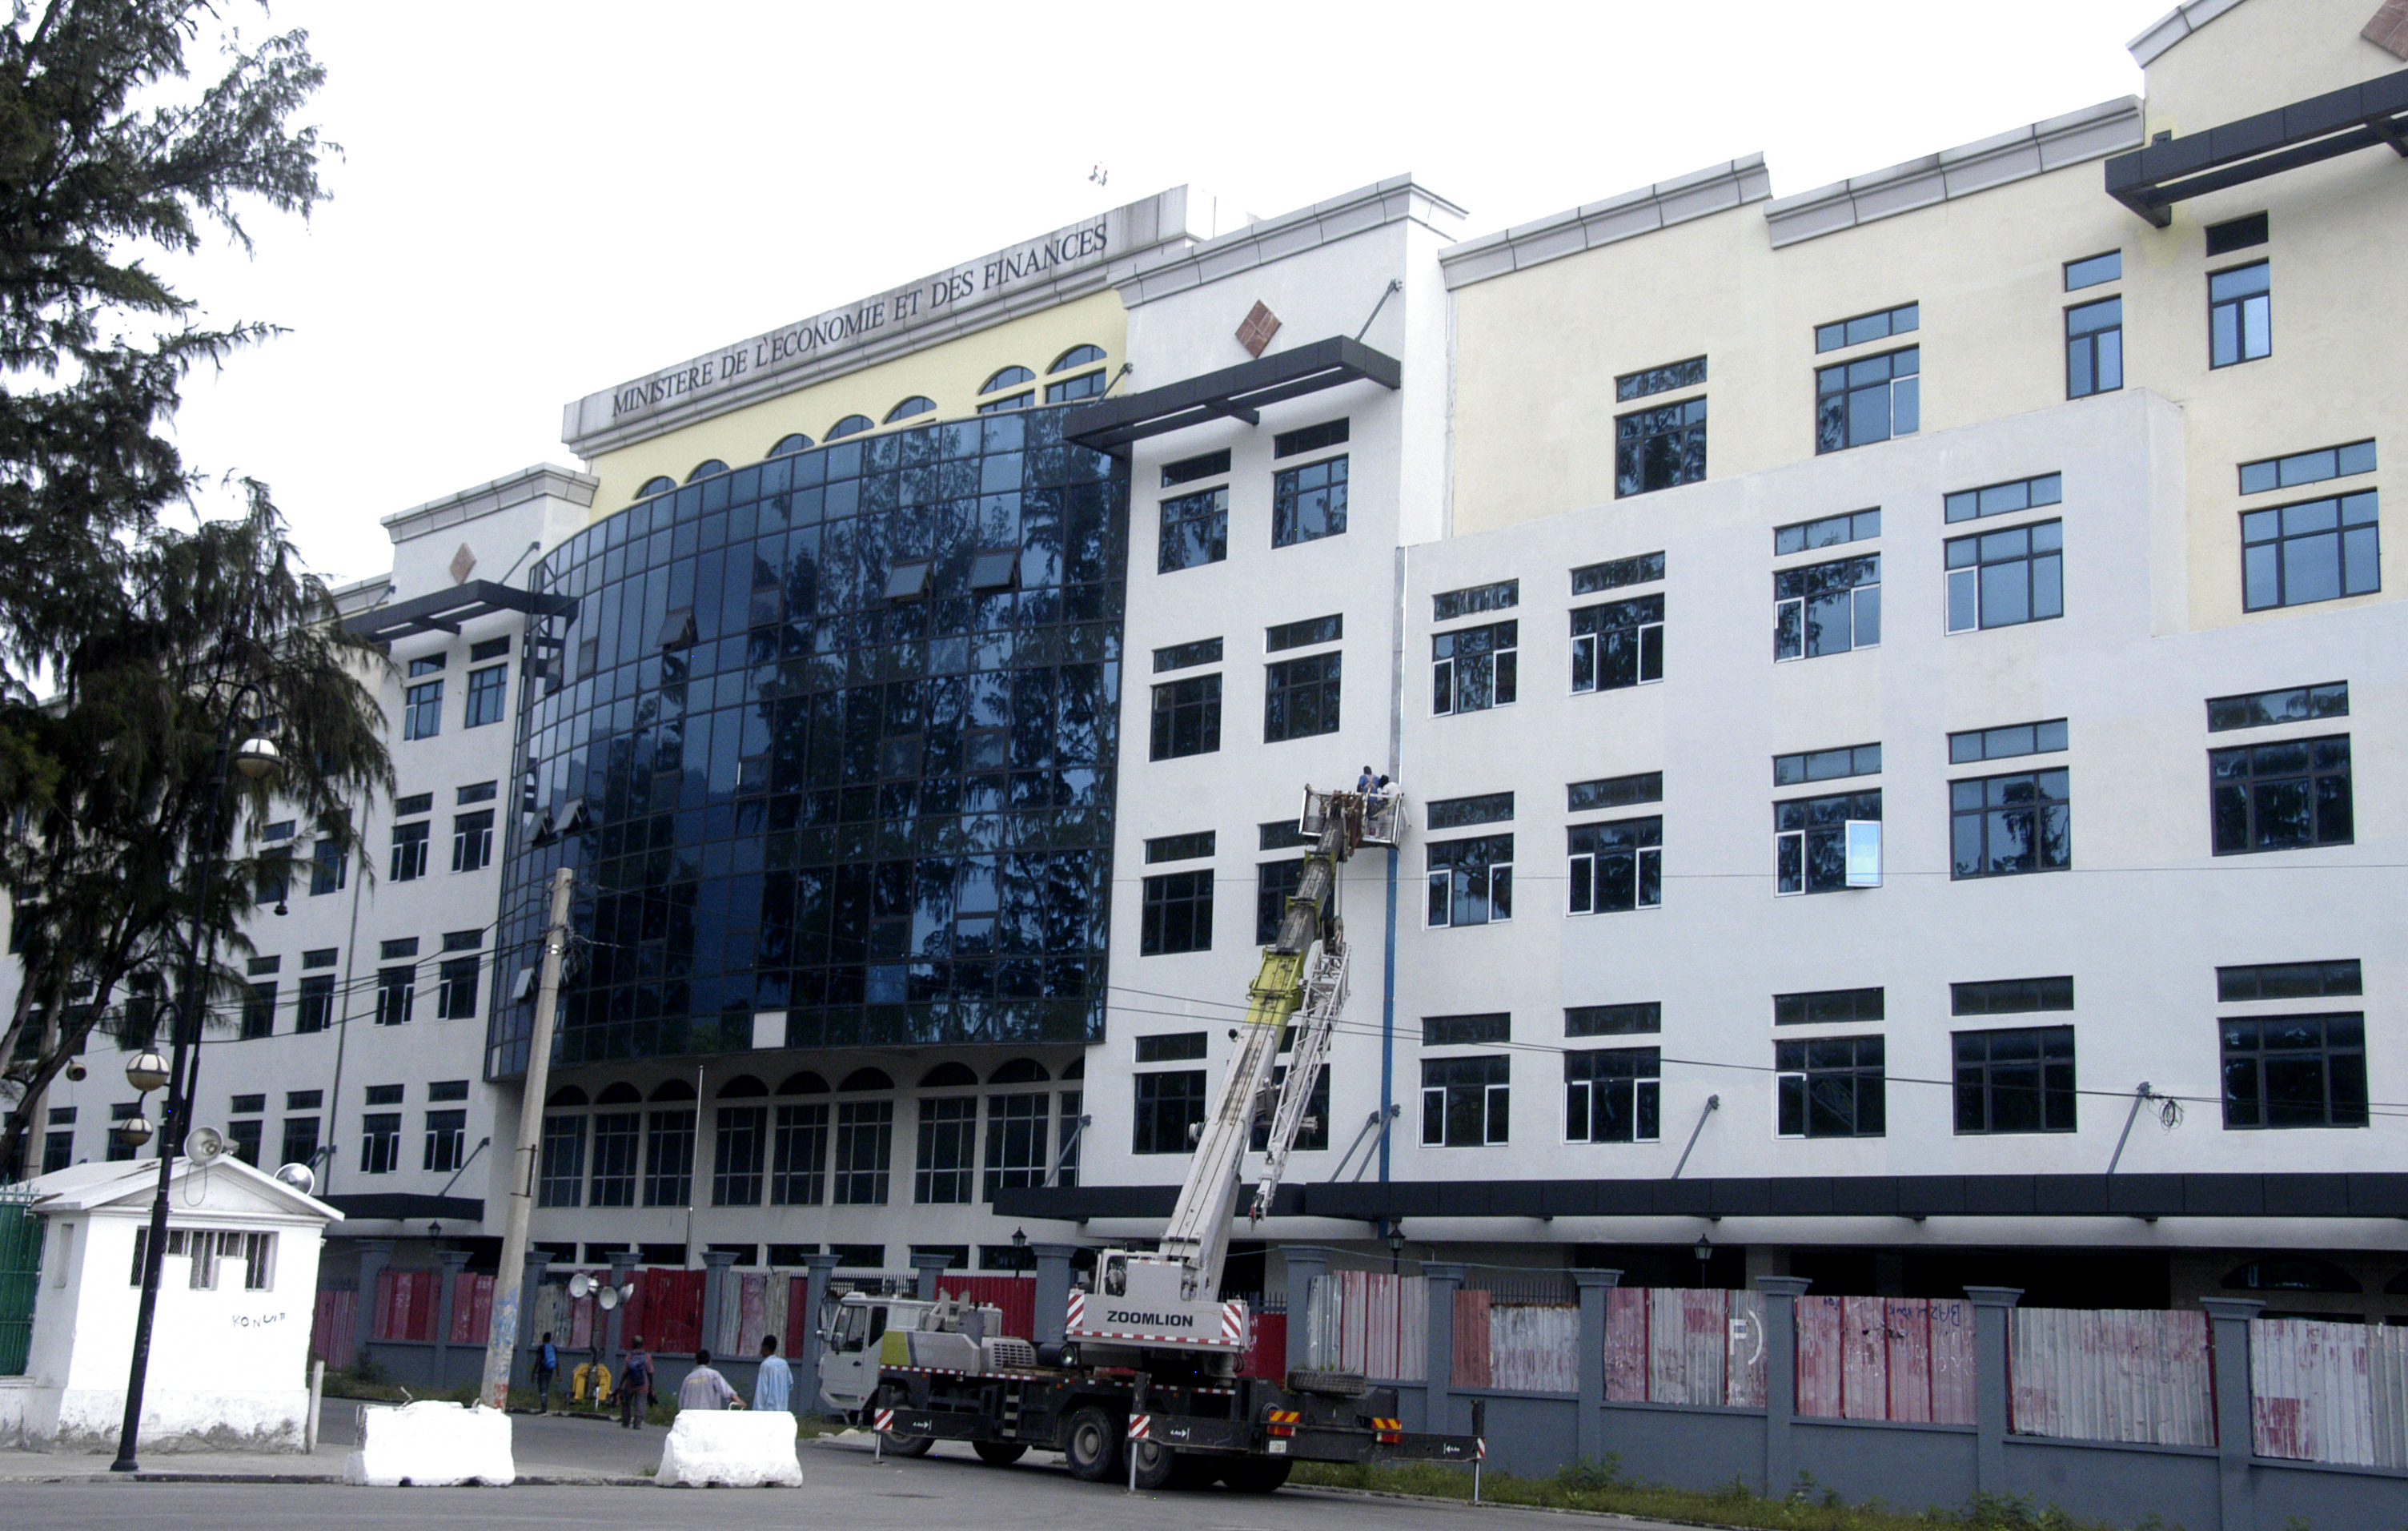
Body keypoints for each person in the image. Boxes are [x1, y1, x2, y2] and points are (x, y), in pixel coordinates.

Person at [678, 1346, 741, 1411]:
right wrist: (739, 1402)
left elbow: (681, 1401)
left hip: (691, 1417)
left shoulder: (688, 1379)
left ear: (696, 1362)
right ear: (709, 1361)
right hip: (709, 1416)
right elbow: (727, 1391)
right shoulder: (713, 1375)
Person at [752, 1333, 793, 1414]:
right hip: (782, 1408)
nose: (760, 1350)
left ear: (766, 1348)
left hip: (768, 1411)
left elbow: (762, 1391)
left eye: (762, 1346)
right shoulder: (784, 1364)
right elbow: (790, 1384)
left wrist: (757, 1412)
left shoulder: (765, 1365)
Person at [620, 1334, 652, 1429]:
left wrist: (621, 1385)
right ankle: (637, 1423)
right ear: (642, 1344)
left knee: (627, 1403)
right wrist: (651, 1385)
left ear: (633, 1344)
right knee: (641, 1403)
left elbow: (625, 1372)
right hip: (642, 1384)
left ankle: (626, 1422)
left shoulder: (629, 1356)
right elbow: (650, 1372)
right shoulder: (646, 1356)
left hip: (630, 1383)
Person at [532, 1330, 559, 1414]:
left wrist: (533, 1372)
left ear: (543, 1338)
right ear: (550, 1339)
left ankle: (544, 1409)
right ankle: (544, 1407)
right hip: (550, 1371)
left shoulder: (541, 1348)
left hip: (542, 1371)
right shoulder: (554, 1348)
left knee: (542, 1389)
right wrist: (558, 1374)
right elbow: (557, 1362)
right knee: (545, 1388)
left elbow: (537, 1361)